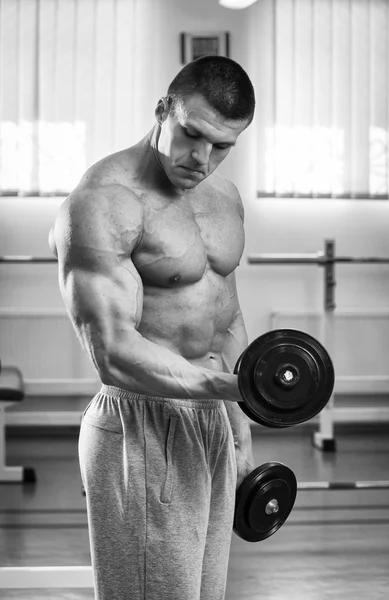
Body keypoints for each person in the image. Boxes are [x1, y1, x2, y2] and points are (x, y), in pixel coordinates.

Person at [49, 55, 256, 600]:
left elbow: (225, 319)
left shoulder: (224, 201)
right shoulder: (102, 202)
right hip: (141, 425)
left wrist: (238, 423)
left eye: (224, 146)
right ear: (163, 110)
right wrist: (233, 389)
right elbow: (114, 352)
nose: (203, 158)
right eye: (192, 135)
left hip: (211, 419)